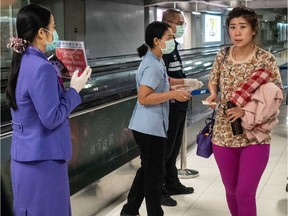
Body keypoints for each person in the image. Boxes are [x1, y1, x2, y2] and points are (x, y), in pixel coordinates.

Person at [6, 4, 91, 216]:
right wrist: (74, 90)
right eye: (53, 27)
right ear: (41, 33)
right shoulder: (41, 67)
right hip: (43, 161)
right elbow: (52, 118)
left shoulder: (24, 61)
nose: (55, 31)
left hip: (25, 159)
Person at [206, 6, 283, 216]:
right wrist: (213, 94)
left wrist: (246, 112)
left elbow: (276, 96)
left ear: (253, 30)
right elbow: (213, 80)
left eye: (242, 27)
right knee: (231, 191)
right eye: (232, 27)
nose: (237, 33)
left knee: (244, 192)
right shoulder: (222, 55)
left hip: (255, 135)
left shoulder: (265, 59)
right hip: (223, 134)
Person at [120, 21, 201, 216]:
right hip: (149, 128)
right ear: (157, 41)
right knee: (153, 177)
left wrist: (182, 83)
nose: (173, 40)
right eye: (169, 37)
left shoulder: (156, 60)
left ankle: (129, 210)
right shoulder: (153, 65)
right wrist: (173, 95)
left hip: (148, 126)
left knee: (147, 170)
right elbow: (144, 97)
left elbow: (163, 83)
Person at [160, 8, 202, 206]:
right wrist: (185, 81)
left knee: (174, 147)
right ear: (168, 23)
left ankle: (172, 181)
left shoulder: (173, 46)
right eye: (180, 23)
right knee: (165, 149)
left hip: (180, 104)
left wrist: (186, 83)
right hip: (170, 104)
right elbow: (162, 80)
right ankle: (159, 188)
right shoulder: (163, 49)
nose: (182, 26)